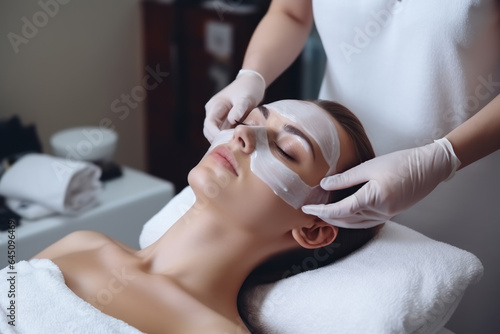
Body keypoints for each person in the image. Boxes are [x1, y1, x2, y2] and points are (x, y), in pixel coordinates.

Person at [30, 99, 380, 334]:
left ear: (315, 231)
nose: (242, 134)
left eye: (287, 151)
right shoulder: (82, 243)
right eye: (250, 120)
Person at [204, 0, 500, 229]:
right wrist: (252, 75)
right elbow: (290, 13)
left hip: (464, 181)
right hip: (331, 179)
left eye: (285, 149)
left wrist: (443, 158)